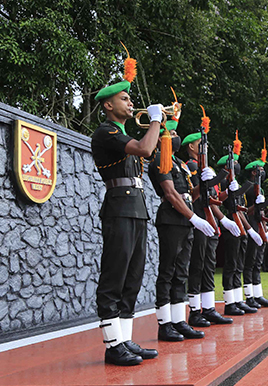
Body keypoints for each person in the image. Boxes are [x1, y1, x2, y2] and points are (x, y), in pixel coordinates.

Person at [90, 47, 160, 365]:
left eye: (131, 100)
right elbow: (146, 149)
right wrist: (156, 121)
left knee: (133, 276)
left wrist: (164, 130)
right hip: (118, 207)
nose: (131, 104)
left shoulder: (123, 135)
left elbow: (154, 154)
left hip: (136, 208)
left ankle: (125, 339)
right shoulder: (107, 133)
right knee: (114, 276)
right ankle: (111, 345)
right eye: (124, 99)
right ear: (108, 104)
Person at [147, 120, 219, 341]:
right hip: (171, 218)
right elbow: (169, 194)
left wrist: (205, 183)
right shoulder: (160, 159)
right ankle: (164, 324)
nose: (177, 136)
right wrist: (194, 217)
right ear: (161, 138)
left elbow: (191, 195)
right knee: (167, 272)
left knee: (181, 273)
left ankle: (179, 320)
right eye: (173, 132)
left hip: (185, 219)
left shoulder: (181, 163)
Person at [181, 130, 238, 326]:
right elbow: (195, 196)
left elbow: (215, 199)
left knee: (208, 266)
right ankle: (195, 311)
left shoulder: (207, 169)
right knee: (197, 266)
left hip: (211, 223)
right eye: (200, 144)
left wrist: (227, 192)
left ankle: (209, 308)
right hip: (200, 221)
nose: (203, 147)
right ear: (191, 147)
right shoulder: (191, 167)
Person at [216, 149, 261, 316]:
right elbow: (228, 206)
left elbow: (241, 210)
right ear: (226, 168)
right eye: (233, 163)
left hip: (240, 227)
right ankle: (230, 303)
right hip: (231, 227)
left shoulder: (235, 184)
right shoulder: (224, 185)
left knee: (238, 266)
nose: (236, 165)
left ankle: (237, 300)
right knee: (231, 265)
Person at [242, 149, 268, 308]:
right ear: (253, 172)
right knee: (250, 262)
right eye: (260, 170)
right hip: (251, 223)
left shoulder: (261, 189)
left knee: (258, 262)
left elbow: (262, 211)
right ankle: (249, 296)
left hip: (260, 225)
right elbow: (245, 209)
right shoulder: (248, 187)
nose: (263, 173)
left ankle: (258, 294)